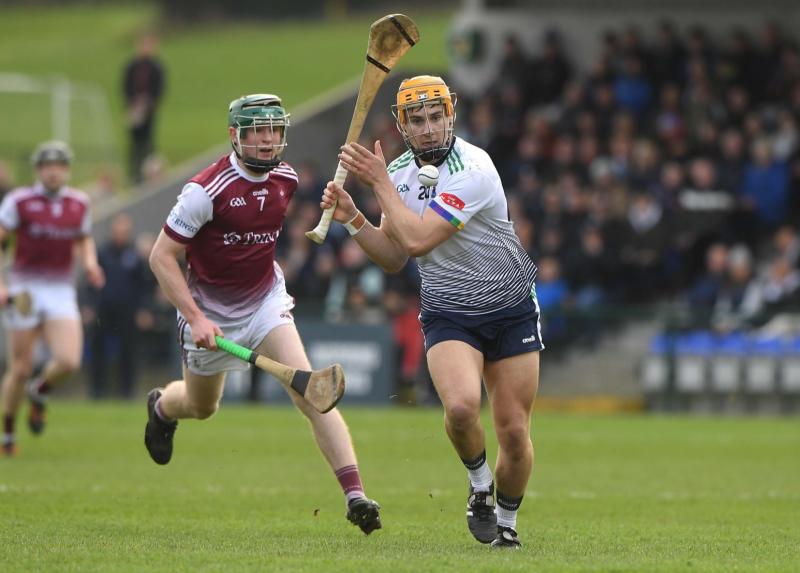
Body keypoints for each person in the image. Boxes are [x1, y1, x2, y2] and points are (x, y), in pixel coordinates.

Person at [320, 76, 543, 549]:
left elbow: (420, 238)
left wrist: (378, 183)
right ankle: (480, 485)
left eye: (435, 117)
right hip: (448, 311)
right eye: (417, 120)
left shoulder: (475, 168)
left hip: (510, 307)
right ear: (403, 124)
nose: (427, 128)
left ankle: (506, 522)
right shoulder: (397, 172)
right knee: (461, 408)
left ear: (451, 115)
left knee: (515, 433)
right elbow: (397, 255)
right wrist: (354, 219)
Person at [143, 94, 381, 535]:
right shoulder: (204, 191)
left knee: (311, 391)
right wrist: (195, 317)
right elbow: (161, 257)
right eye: (259, 131)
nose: (269, 140)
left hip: (266, 301)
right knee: (202, 406)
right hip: (210, 312)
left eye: (275, 129)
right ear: (237, 136)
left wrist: (333, 202)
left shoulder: (286, 178)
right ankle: (162, 408)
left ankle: (355, 495)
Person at [0, 141, 105, 456]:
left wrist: (90, 263)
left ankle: (40, 390)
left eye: (59, 165)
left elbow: (84, 241)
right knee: (20, 367)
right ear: (38, 170)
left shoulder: (79, 203)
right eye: (47, 165)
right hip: (25, 290)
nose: (53, 171)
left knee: (70, 360)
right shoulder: (19, 201)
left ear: (67, 170)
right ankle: (7, 434)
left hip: (60, 289)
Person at [85, 213, 147, 399]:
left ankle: (126, 392)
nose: (121, 234)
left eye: (124, 231)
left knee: (128, 352)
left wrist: (143, 310)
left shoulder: (135, 256)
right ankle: (97, 391)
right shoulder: (102, 253)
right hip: (103, 309)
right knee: (98, 350)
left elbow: (143, 285)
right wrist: (88, 305)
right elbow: (89, 282)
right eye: (118, 230)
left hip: (127, 311)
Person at [123, 33, 166, 185]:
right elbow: (125, 86)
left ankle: (150, 172)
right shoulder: (132, 66)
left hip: (149, 109)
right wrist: (131, 103)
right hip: (134, 108)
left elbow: (159, 87)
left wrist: (150, 103)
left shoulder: (156, 66)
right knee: (135, 142)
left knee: (148, 141)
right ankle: (134, 173)